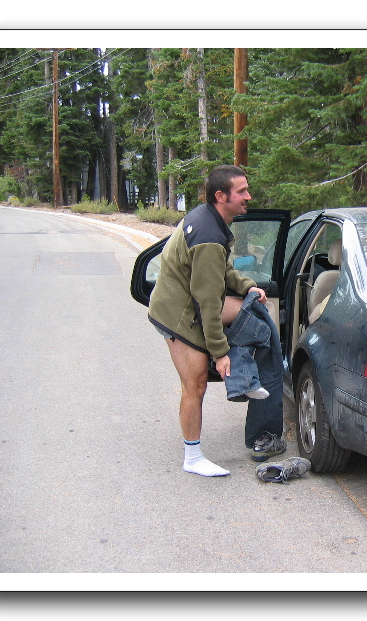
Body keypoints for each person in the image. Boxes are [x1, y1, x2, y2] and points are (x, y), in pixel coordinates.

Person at [148, 165, 286, 477]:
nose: (248, 196)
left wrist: (247, 287)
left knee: (255, 316)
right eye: (242, 191)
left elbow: (222, 270)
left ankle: (243, 381)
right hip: (179, 315)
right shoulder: (208, 236)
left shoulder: (209, 219)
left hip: (188, 302)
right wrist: (220, 353)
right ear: (221, 196)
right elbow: (207, 302)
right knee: (195, 384)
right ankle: (193, 457)